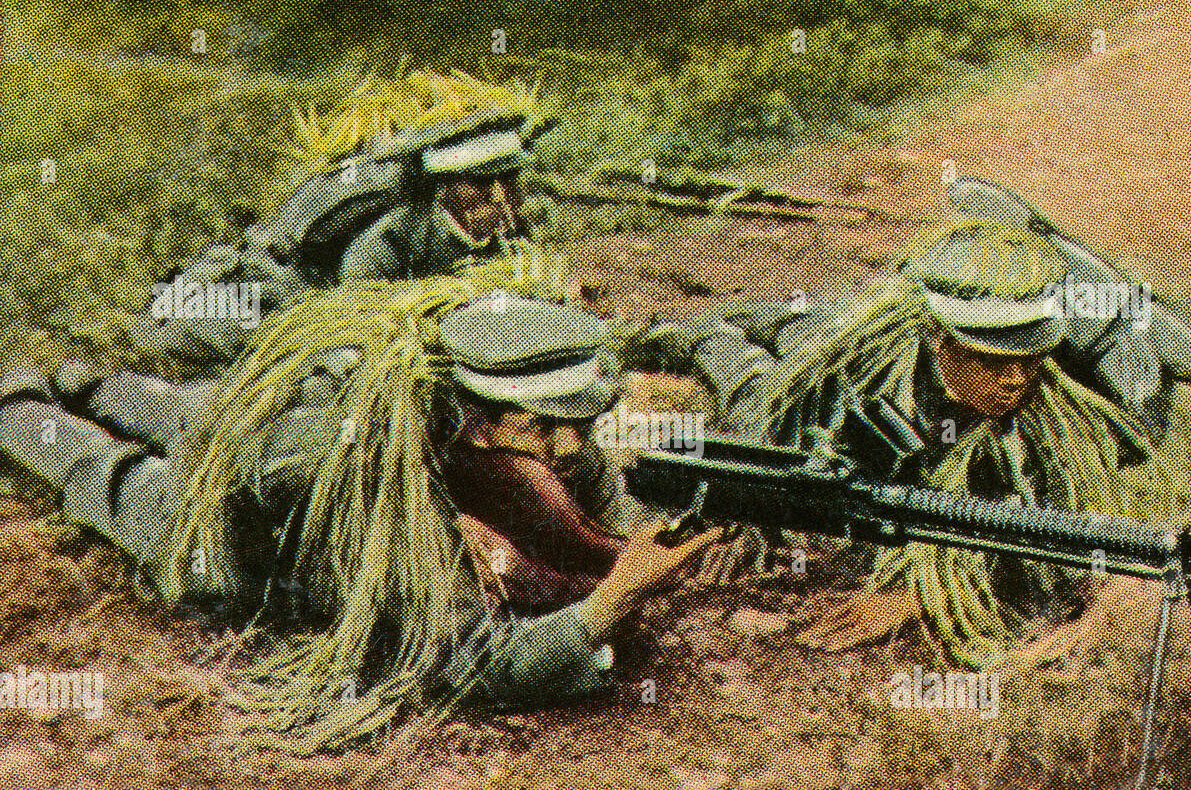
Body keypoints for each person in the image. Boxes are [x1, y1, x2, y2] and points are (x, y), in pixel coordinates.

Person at [0, 259, 717, 751]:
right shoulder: (391, 486)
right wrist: (605, 606)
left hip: (271, 436)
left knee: (183, 410)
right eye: (543, 429)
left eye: (580, 424)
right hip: (246, 524)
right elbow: (474, 664)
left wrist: (630, 550)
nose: (568, 448)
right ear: (474, 417)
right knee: (116, 476)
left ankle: (88, 379)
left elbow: (599, 516)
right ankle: (22, 401)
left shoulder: (538, 437)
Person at [686, 219, 1176, 659]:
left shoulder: (1041, 426)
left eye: (1028, 360)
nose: (1016, 379)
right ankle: (691, 333)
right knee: (751, 381)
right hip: (826, 368)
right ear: (942, 346)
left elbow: (1030, 542)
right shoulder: (869, 374)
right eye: (993, 361)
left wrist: (916, 599)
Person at [119, 69, 555, 370]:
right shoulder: (391, 233)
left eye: (506, 181)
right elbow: (359, 306)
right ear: (445, 187)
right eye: (479, 185)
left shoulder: (504, 225)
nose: (498, 199)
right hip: (283, 295)